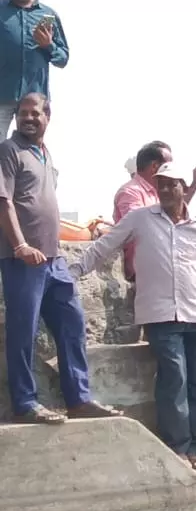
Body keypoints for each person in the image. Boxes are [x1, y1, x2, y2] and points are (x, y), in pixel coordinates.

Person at [70, 160, 196, 467]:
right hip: (160, 314)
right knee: (174, 377)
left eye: (171, 184)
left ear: (183, 187)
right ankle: (178, 448)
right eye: (160, 184)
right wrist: (72, 270)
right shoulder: (141, 219)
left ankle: (194, 447)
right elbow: (105, 245)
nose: (164, 189)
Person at [0, 94, 120, 424]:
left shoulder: (44, 154)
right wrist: (21, 245)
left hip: (54, 260)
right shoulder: (9, 151)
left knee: (72, 324)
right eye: (22, 113)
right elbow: (4, 201)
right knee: (22, 331)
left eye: (34, 113)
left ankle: (79, 399)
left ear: (46, 117)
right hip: (22, 259)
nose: (27, 118)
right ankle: (25, 403)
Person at [112, 140, 196, 281]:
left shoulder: (157, 191)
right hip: (146, 273)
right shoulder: (131, 192)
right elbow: (141, 227)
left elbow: (175, 213)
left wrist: (194, 185)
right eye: (168, 165)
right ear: (155, 166)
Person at [0, 0, 68, 133]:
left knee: (28, 155)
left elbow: (63, 58)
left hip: (33, 103)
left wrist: (49, 45)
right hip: (2, 96)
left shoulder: (47, 15)